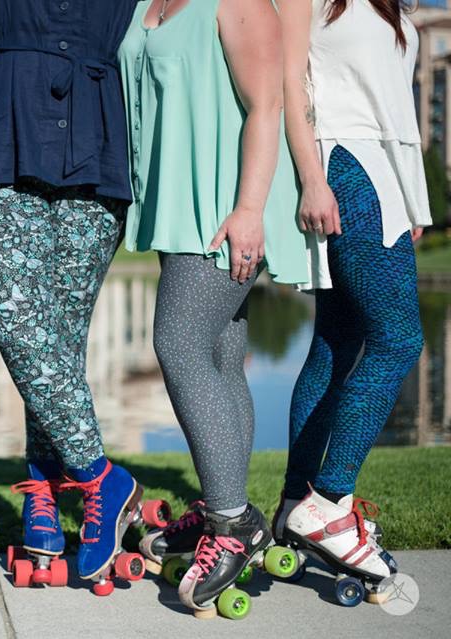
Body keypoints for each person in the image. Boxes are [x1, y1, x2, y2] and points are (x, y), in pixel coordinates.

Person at [118, 0, 309, 616]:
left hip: (225, 204)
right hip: (177, 201)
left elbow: (268, 104)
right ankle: (220, 507)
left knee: (178, 344)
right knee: (222, 357)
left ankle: (233, 522)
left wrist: (249, 210)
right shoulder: (146, 4)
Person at [0, 0, 144, 595]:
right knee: (22, 325)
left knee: (60, 344)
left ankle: (43, 487)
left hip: (97, 141)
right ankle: (101, 477)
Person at [271, 0, 427, 596]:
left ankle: (295, 503)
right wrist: (312, 179)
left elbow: (392, 102)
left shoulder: (393, 6)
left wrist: (411, 197)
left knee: (337, 343)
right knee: (399, 341)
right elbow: (291, 82)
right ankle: (331, 501)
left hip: (383, 174)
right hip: (347, 166)